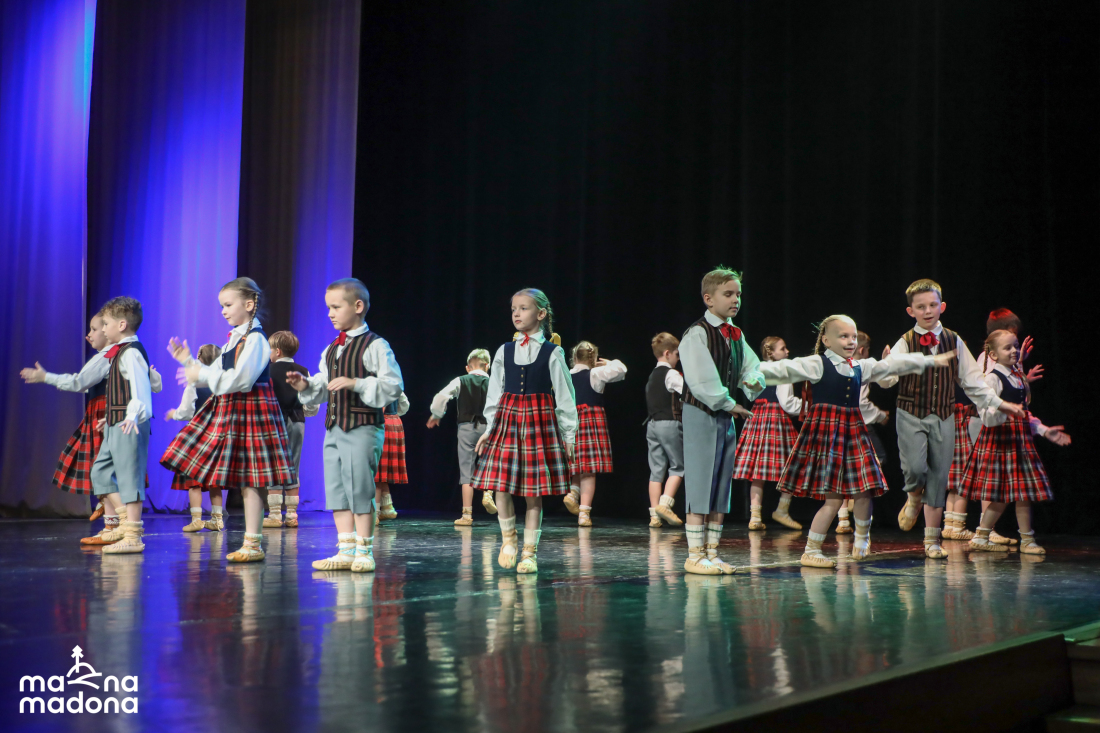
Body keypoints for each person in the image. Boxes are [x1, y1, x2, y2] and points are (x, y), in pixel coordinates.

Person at [758, 314, 955, 568]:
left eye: (853, 336)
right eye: (843, 336)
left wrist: (928, 360)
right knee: (834, 499)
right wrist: (754, 372)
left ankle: (862, 539)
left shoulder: (860, 366)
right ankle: (812, 550)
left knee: (864, 491)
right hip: (828, 434)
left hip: (853, 431)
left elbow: (891, 366)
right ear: (826, 340)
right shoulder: (818, 363)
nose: (851, 341)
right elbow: (785, 369)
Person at [162, 277, 296, 563]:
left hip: (252, 409)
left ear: (248, 304)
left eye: (228, 305)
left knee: (252, 478)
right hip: (233, 409)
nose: (223, 311)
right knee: (243, 476)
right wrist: (189, 362)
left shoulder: (256, 339)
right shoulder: (234, 339)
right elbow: (215, 375)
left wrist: (200, 373)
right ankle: (250, 542)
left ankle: (253, 543)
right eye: (221, 306)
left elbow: (242, 379)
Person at [891, 279, 1025, 559]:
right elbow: (887, 378)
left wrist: (1001, 404)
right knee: (915, 470)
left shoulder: (954, 340)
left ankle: (931, 540)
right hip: (911, 413)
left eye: (932, 305)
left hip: (943, 414)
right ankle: (914, 496)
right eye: (921, 307)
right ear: (910, 311)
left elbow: (974, 382)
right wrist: (886, 369)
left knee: (938, 477)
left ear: (942, 306)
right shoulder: (905, 342)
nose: (927, 311)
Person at [288, 278, 403, 573]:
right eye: (329, 307)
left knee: (360, 488)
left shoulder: (376, 345)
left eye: (336, 307)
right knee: (337, 488)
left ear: (358, 306)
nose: (330, 313)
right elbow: (323, 384)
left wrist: (357, 383)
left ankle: (365, 550)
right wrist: (305, 385)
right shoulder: (332, 349)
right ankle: (346, 549)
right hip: (335, 426)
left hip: (362, 426)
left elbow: (393, 386)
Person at [472, 288, 577, 574]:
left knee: (534, 491)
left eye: (524, 308)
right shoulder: (504, 350)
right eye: (513, 309)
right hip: (507, 421)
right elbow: (494, 393)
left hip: (537, 424)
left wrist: (569, 436)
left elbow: (565, 397)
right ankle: (508, 539)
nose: (517, 314)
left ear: (541, 314)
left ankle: (530, 552)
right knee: (501, 485)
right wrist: (489, 428)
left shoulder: (552, 352)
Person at [678, 267, 763, 575]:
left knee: (720, 483)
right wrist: (730, 403)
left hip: (724, 415)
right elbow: (701, 380)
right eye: (728, 294)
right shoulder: (698, 333)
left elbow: (752, 367)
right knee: (701, 481)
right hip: (702, 412)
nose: (735, 299)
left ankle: (712, 552)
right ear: (709, 298)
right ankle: (694, 555)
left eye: (738, 294)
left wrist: (752, 382)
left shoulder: (735, 334)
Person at [959, 330, 1070, 554]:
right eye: (1007, 347)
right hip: (1000, 442)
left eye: (1016, 346)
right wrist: (1006, 412)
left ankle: (1026, 540)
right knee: (1002, 496)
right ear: (993, 355)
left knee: (1023, 493)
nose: (1014, 351)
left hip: (1019, 441)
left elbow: (1026, 414)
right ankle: (982, 535)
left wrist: (1044, 431)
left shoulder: (1018, 377)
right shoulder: (992, 379)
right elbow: (987, 417)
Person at [732, 335, 803, 531]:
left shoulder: (757, 369)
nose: (787, 352)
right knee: (791, 466)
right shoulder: (783, 371)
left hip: (758, 418)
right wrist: (807, 408)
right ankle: (781, 509)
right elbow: (787, 403)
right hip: (776, 420)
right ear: (771, 353)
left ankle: (755, 516)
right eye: (783, 348)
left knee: (758, 471)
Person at [427, 349, 498, 525]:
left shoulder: (461, 380)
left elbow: (442, 395)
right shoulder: (494, 383)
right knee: (489, 463)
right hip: (488, 427)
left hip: (466, 427)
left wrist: (437, 414)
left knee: (467, 471)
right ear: (487, 366)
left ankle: (466, 515)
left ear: (468, 368)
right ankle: (488, 492)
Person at [563, 340, 627, 526]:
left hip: (570, 422)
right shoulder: (595, 373)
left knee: (577, 463)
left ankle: (573, 493)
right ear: (593, 358)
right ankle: (584, 513)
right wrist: (608, 363)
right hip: (590, 422)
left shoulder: (566, 375)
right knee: (588, 470)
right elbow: (622, 370)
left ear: (574, 357)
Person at [165, 344, 225, 532]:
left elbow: (187, 410)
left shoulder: (195, 381)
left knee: (193, 478)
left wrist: (174, 414)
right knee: (214, 478)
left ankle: (197, 519)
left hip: (199, 434)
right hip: (218, 433)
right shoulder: (223, 381)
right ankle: (217, 519)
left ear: (199, 357)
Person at [644, 332, 685, 528]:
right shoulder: (671, 374)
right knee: (678, 466)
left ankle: (654, 516)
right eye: (677, 354)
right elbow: (688, 393)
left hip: (652, 425)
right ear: (668, 353)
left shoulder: (652, 375)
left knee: (656, 471)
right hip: (669, 423)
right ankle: (665, 504)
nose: (678, 359)